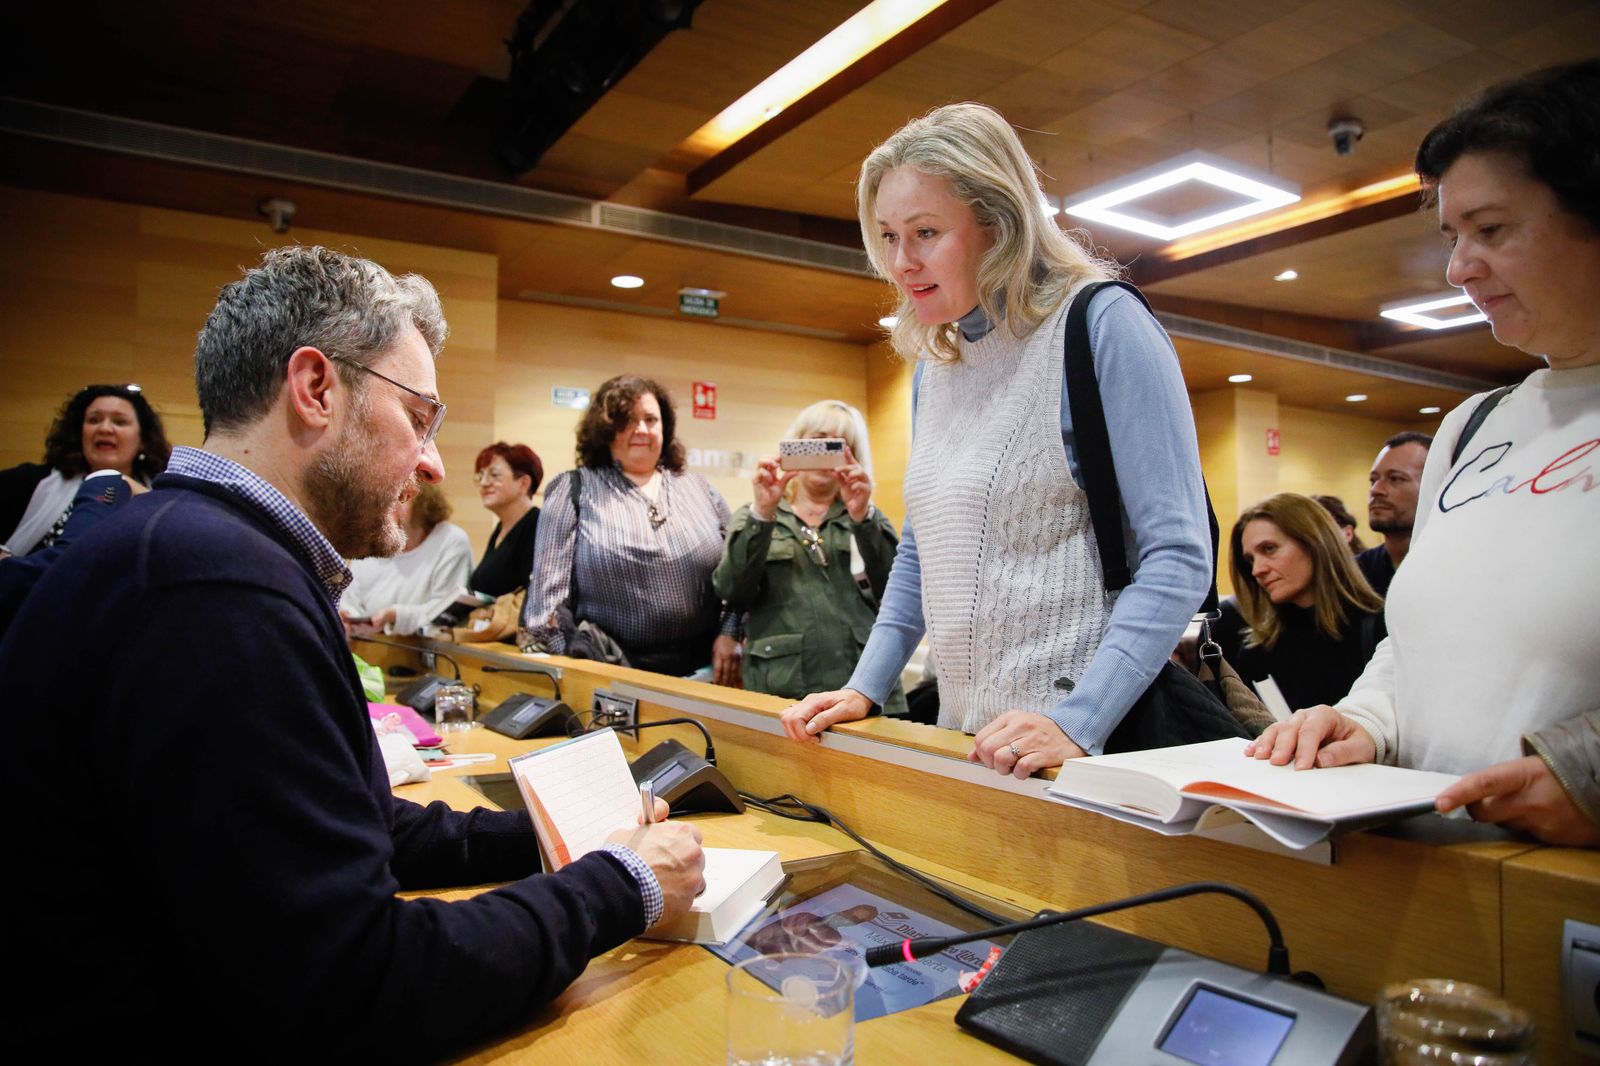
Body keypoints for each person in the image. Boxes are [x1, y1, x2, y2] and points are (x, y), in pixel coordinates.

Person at [0, 246, 706, 1056]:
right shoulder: (216, 589)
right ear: (315, 389)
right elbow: (353, 987)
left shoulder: (195, 548)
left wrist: (555, 834)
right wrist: (624, 884)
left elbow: (352, 827)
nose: (434, 460)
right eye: (419, 418)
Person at [781, 103, 1212, 778]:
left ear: (1000, 222)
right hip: (972, 743)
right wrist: (865, 685)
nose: (902, 262)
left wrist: (1078, 720)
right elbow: (924, 554)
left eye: (926, 232)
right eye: (889, 236)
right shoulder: (938, 365)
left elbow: (1180, 556)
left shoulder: (1102, 326)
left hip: (1086, 748)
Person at [1249, 60, 1600, 847]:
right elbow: (1415, 653)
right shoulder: (1475, 426)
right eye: (1452, 236)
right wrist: (1365, 722)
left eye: (1493, 230)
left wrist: (1590, 772)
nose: (1459, 267)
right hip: (1433, 877)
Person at [520, 374, 742, 682]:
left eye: (651, 419)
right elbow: (546, 607)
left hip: (707, 675)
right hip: (611, 676)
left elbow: (739, 573)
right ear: (604, 430)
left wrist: (731, 633)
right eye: (627, 420)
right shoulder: (573, 489)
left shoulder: (701, 489)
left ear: (665, 427)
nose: (641, 429)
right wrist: (582, 667)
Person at [714, 400, 907, 715]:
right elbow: (731, 590)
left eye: (838, 445)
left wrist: (863, 516)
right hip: (781, 690)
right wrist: (762, 513)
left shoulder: (867, 517)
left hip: (863, 690)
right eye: (816, 440)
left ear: (853, 456)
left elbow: (900, 594)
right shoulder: (755, 516)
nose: (825, 452)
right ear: (795, 443)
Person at [1217, 493, 1386, 712]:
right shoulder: (1256, 654)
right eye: (1250, 559)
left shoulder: (1382, 629)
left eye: (1269, 549)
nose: (1257, 570)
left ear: (1315, 543)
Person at [0, 382, 171, 557]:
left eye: (119, 422)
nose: (104, 428)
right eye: (94, 420)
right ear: (79, 433)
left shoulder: (163, 494)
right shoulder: (30, 481)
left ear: (143, 439)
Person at [341, 481, 473, 636]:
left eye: (400, 497)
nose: (389, 507)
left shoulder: (450, 540)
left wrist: (397, 615)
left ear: (422, 501)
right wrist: (349, 618)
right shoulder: (369, 538)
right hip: (367, 647)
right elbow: (348, 599)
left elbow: (445, 611)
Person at [1355, 431, 1432, 596]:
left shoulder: (1461, 570)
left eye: (1395, 479)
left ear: (1434, 487)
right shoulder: (1355, 576)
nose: (1376, 490)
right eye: (1373, 480)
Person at [470, 440, 543, 597]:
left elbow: (533, 596)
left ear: (524, 483)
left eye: (494, 475)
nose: (483, 483)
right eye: (480, 476)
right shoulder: (500, 529)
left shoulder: (538, 525)